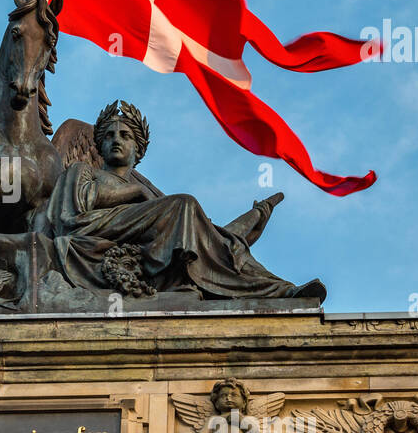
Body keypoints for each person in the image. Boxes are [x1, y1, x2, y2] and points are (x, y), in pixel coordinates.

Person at [44, 100, 325, 301]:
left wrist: (252, 218)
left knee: (228, 245)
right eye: (109, 136)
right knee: (184, 205)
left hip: (137, 238)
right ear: (100, 146)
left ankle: (278, 290)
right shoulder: (83, 171)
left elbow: (203, 234)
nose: (116, 140)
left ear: (137, 149)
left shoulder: (149, 189)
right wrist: (136, 194)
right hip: (92, 228)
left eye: (125, 135)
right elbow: (73, 208)